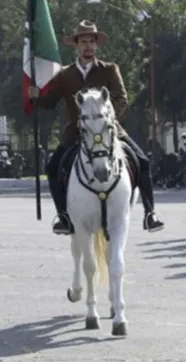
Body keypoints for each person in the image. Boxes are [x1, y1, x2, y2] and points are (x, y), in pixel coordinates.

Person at [31, 20, 164, 235]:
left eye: (92, 42)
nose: (88, 46)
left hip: (109, 131)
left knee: (143, 162)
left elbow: (121, 99)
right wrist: (36, 96)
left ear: (97, 45)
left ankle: (150, 213)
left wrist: (107, 122)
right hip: (76, 133)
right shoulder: (65, 74)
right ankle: (63, 217)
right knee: (52, 168)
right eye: (83, 42)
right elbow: (50, 102)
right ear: (76, 45)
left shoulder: (110, 70)